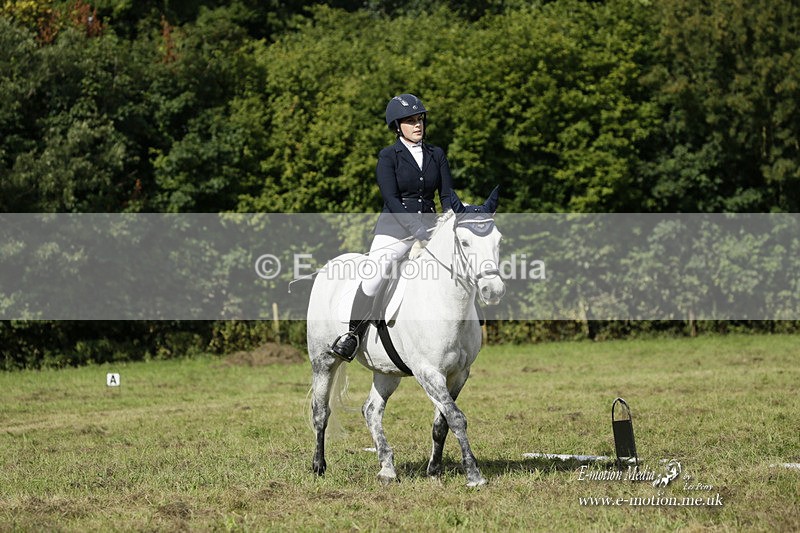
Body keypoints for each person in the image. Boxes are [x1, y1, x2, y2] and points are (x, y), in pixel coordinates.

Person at [331, 93, 453, 360]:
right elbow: (391, 198)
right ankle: (353, 334)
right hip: (394, 230)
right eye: (410, 121)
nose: (417, 124)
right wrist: (414, 228)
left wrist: (457, 216)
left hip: (431, 229)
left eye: (419, 119)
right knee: (374, 275)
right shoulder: (388, 156)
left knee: (460, 263)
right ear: (398, 126)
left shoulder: (436, 154)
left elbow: (446, 195)